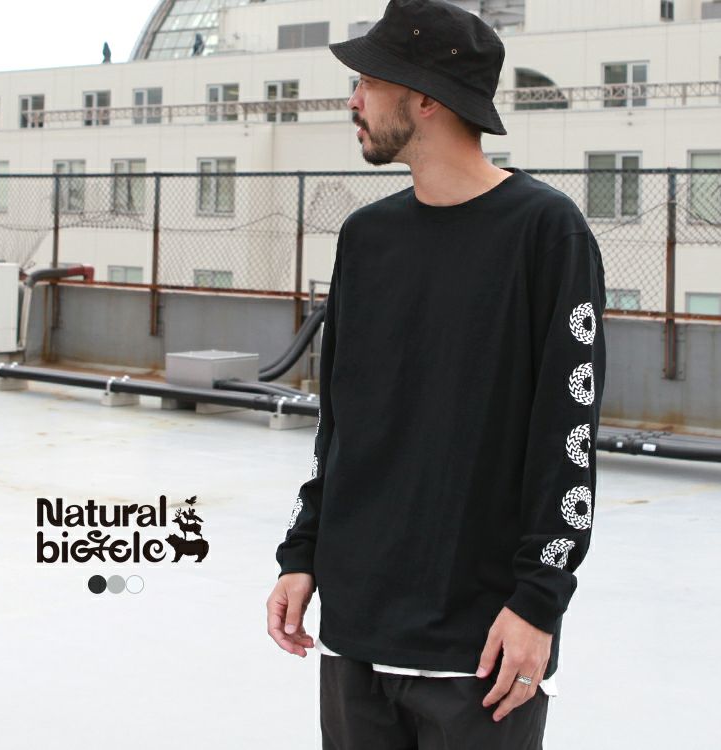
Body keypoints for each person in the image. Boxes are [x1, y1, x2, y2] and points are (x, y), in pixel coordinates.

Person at [266, 1, 607, 747]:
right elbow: (341, 424)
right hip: (355, 632)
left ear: (424, 98)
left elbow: (569, 436)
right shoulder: (366, 237)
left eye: (368, 82)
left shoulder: (546, 232)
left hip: (480, 645)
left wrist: (540, 602)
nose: (353, 101)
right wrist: (303, 551)